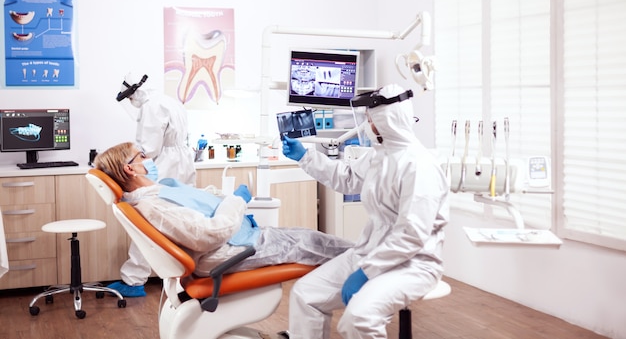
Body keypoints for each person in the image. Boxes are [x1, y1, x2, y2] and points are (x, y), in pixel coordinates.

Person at [282, 83, 449, 339]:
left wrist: (366, 272)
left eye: (369, 118)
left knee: (359, 319)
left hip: (412, 264)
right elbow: (346, 178)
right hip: (368, 252)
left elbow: (411, 235)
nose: (366, 123)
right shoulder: (378, 156)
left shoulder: (419, 166)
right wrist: (306, 156)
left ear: (385, 121)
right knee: (306, 294)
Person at [94, 142, 353, 277]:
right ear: (130, 168)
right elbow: (209, 233)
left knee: (317, 241)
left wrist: (223, 197)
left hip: (241, 239)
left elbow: (194, 202)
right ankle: (378, 271)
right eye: (141, 155)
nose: (148, 158)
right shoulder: (152, 206)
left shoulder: (156, 191)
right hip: (233, 251)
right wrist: (237, 200)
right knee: (322, 245)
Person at [109, 73, 197, 297]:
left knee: (146, 224)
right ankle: (185, 277)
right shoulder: (170, 101)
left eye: (130, 98)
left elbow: (148, 148)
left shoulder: (151, 107)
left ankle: (133, 280)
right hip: (184, 164)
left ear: (136, 92)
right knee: (181, 222)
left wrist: (125, 163)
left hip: (165, 166)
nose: (131, 103)